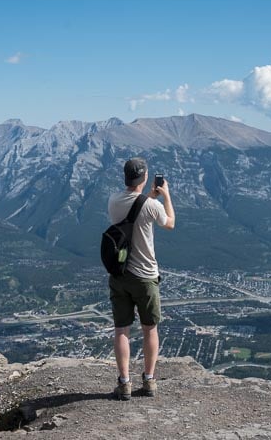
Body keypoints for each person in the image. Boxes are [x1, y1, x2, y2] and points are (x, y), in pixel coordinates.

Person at [107, 157, 175, 400]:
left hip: (119, 274)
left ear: (125, 177)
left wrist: (148, 196)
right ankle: (148, 380)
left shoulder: (113, 200)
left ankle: (124, 382)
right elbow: (169, 224)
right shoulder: (151, 205)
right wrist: (165, 196)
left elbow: (135, 211)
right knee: (149, 329)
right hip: (146, 276)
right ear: (145, 178)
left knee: (121, 330)